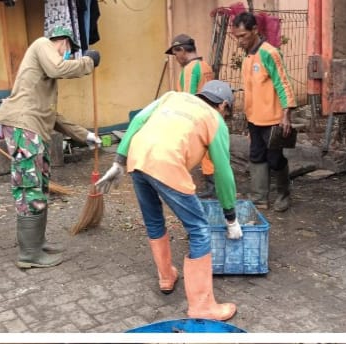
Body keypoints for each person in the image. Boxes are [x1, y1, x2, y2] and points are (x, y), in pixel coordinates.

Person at [96, 80, 242, 321]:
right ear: (224, 104)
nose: (225, 115)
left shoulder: (172, 97)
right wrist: (231, 217)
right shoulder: (215, 120)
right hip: (167, 163)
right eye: (227, 111)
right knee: (199, 229)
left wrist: (119, 160)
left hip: (138, 157)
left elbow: (137, 121)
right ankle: (202, 306)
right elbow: (223, 172)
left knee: (154, 221)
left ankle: (166, 277)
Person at [0, 26, 102, 269]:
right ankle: (29, 254)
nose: (66, 56)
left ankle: (37, 244)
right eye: (69, 51)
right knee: (29, 186)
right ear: (63, 42)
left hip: (32, 128)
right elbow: (59, 67)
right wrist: (87, 63)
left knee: (39, 186)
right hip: (24, 126)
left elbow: (52, 115)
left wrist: (85, 135)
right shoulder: (43, 43)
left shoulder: (43, 78)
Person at [232, 12, 297, 212]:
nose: (240, 41)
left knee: (275, 159)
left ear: (254, 30)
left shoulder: (269, 53)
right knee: (256, 156)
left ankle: (283, 194)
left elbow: (283, 83)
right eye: (237, 37)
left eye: (243, 35)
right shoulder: (248, 58)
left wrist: (286, 115)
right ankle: (259, 197)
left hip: (273, 119)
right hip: (254, 119)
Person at [165, 34, 216, 198]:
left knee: (193, 152)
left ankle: (205, 187)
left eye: (175, 53)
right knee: (209, 152)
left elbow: (188, 98)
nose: (176, 58)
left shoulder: (189, 70)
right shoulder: (205, 66)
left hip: (196, 118)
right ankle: (213, 185)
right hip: (209, 115)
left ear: (182, 50)